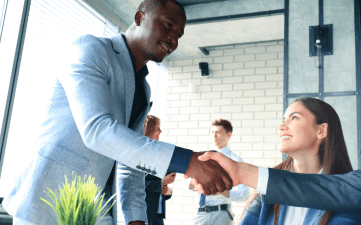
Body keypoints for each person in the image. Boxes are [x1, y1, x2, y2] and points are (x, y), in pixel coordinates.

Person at [2, 0, 232, 224]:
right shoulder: (91, 49)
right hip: (47, 198)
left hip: (95, 209)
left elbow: (129, 162)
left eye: (179, 35)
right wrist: (188, 161)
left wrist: (136, 220)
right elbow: (97, 130)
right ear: (139, 17)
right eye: (169, 25)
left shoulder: (144, 88)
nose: (174, 38)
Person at [191, 33, 361, 225]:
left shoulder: (350, 197)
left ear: (321, 131)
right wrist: (243, 173)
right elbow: (342, 189)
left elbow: (341, 191)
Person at [238, 97, 361, 225]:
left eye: (294, 118)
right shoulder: (268, 186)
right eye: (283, 120)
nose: (281, 126)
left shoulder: (350, 192)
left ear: (321, 131)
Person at [189, 119, 250, 225]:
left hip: (222, 216)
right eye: (212, 132)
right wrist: (193, 184)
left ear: (228, 135)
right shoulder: (201, 158)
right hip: (201, 215)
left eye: (218, 132)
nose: (214, 135)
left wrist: (221, 192)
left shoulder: (236, 161)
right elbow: (190, 189)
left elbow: (245, 195)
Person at [142, 115, 175, 225]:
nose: (160, 131)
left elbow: (160, 189)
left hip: (157, 215)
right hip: (144, 214)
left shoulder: (156, 155)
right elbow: (136, 185)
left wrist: (168, 192)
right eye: (157, 127)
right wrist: (162, 183)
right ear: (148, 129)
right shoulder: (139, 155)